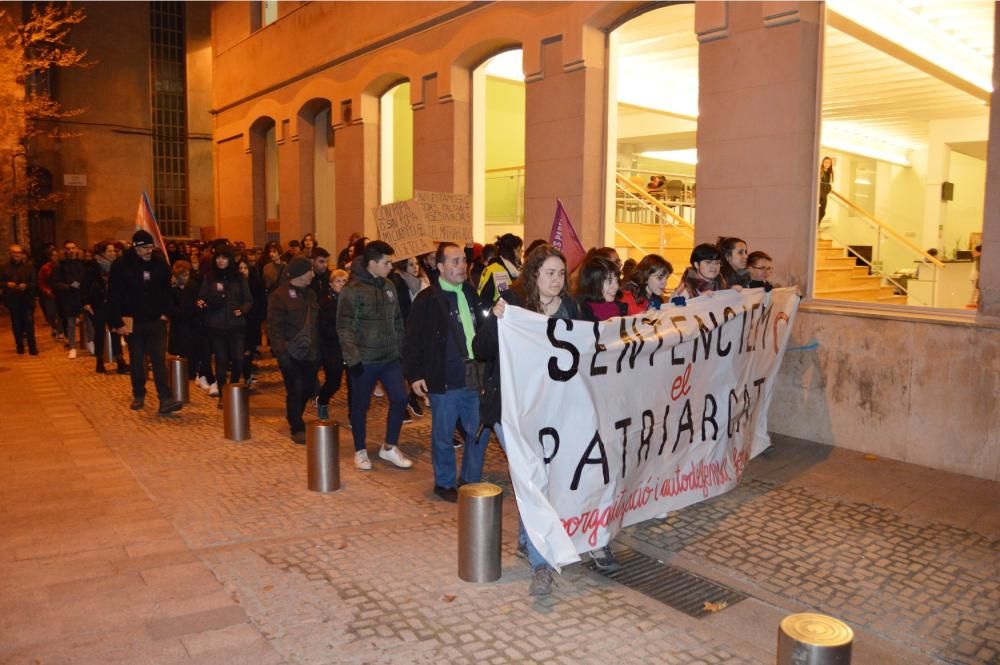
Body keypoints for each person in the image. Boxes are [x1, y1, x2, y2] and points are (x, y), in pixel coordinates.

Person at [473, 243, 581, 596]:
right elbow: (482, 349)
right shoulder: (513, 303)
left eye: (561, 273)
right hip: (511, 409)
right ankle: (540, 564)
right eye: (549, 273)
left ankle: (525, 538)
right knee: (533, 478)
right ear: (533, 274)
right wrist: (497, 319)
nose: (556, 280)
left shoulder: (572, 308)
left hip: (554, 409)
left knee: (537, 479)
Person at [404, 243, 490, 502]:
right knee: (443, 434)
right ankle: (444, 483)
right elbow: (412, 340)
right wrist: (415, 375)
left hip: (475, 375)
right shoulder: (427, 299)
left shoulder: (471, 294)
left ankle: (470, 479)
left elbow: (484, 330)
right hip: (444, 378)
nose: (461, 266)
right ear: (439, 266)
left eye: (463, 261)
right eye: (454, 262)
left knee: (479, 432)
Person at [336, 240, 413, 471]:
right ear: (372, 263)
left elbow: (398, 320)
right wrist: (353, 359)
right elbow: (345, 327)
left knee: (400, 399)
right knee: (360, 406)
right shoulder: (352, 290)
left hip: (389, 358)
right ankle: (360, 450)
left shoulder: (389, 286)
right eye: (386, 262)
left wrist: (400, 350)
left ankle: (389, 447)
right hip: (364, 361)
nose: (390, 266)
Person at [108, 230, 183, 415]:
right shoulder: (121, 266)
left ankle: (165, 399)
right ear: (136, 248)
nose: (149, 251)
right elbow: (113, 296)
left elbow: (168, 291)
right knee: (137, 360)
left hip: (156, 320)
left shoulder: (160, 264)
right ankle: (139, 393)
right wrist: (118, 322)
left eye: (150, 247)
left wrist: (167, 313)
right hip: (132, 321)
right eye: (144, 248)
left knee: (159, 360)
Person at [267, 256, 320, 443]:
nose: (313, 274)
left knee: (309, 387)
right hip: (290, 352)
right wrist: (281, 353)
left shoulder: (311, 294)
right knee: (296, 388)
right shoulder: (279, 296)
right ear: (299, 274)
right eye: (310, 271)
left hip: (310, 352)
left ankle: (296, 414)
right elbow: (274, 327)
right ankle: (296, 424)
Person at [197, 246, 253, 405]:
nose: (221, 261)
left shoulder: (239, 278)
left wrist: (241, 310)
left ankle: (233, 387)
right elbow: (202, 297)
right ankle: (223, 395)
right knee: (221, 361)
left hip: (236, 326)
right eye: (218, 258)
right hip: (216, 326)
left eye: (224, 258)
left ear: (230, 260)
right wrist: (201, 303)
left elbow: (248, 300)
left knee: (238, 359)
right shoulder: (209, 278)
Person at [85, 241, 128, 373]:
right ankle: (99, 362)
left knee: (116, 331)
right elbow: (84, 285)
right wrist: (85, 303)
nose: (112, 253)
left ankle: (120, 361)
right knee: (99, 333)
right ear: (102, 253)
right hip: (98, 304)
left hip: (114, 304)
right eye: (109, 251)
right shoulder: (92, 266)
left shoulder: (117, 266)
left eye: (113, 251)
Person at [316, 268, 349, 421]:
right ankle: (322, 401)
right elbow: (322, 327)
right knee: (334, 382)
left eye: (344, 281)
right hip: (331, 347)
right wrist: (340, 331)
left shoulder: (352, 300)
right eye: (338, 281)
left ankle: (353, 414)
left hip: (349, 347)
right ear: (331, 284)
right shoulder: (325, 302)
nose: (341, 284)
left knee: (354, 383)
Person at [1, 244, 38, 355]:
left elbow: (35, 283)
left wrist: (26, 286)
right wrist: (7, 284)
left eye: (19, 252)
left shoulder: (29, 267)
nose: (17, 255)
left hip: (26, 299)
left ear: (22, 254)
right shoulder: (3, 267)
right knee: (16, 324)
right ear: (10, 254)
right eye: (15, 252)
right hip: (13, 300)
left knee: (29, 323)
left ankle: (32, 347)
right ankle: (20, 346)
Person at [53, 241, 88, 358]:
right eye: (68, 248)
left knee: (89, 320)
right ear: (65, 251)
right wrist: (68, 286)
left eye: (73, 248)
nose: (71, 251)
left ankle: (91, 342)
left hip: (83, 296)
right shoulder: (60, 265)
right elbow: (56, 283)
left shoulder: (82, 263)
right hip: (68, 297)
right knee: (71, 323)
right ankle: (73, 347)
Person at [239, 258, 267, 386]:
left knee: (249, 349)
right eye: (240, 268)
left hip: (252, 322)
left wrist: (259, 318)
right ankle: (242, 373)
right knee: (240, 349)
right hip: (238, 322)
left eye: (245, 268)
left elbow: (261, 302)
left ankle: (247, 373)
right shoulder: (235, 284)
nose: (243, 271)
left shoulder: (256, 282)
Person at [575, 256, 627, 321]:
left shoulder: (621, 308)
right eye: (609, 281)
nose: (616, 286)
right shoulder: (579, 313)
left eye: (616, 280)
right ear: (593, 282)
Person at [477, 233, 522, 306]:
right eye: (519, 250)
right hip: (496, 313)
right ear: (514, 251)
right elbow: (483, 298)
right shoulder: (494, 269)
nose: (521, 254)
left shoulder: (515, 271)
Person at [37, 247, 64, 342]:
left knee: (60, 313)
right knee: (51, 313)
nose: (55, 257)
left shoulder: (61, 266)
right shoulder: (45, 268)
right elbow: (41, 281)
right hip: (49, 293)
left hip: (59, 293)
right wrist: (46, 290)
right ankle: (54, 327)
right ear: (50, 257)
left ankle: (60, 331)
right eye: (53, 255)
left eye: (57, 255)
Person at [818, 156, 834, 222]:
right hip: (820, 192)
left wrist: (829, 188)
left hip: (825, 193)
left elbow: (829, 183)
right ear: (823, 163)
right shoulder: (820, 171)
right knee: (818, 211)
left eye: (829, 163)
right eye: (826, 162)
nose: (827, 164)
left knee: (822, 212)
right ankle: (815, 227)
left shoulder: (830, 172)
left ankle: (817, 226)